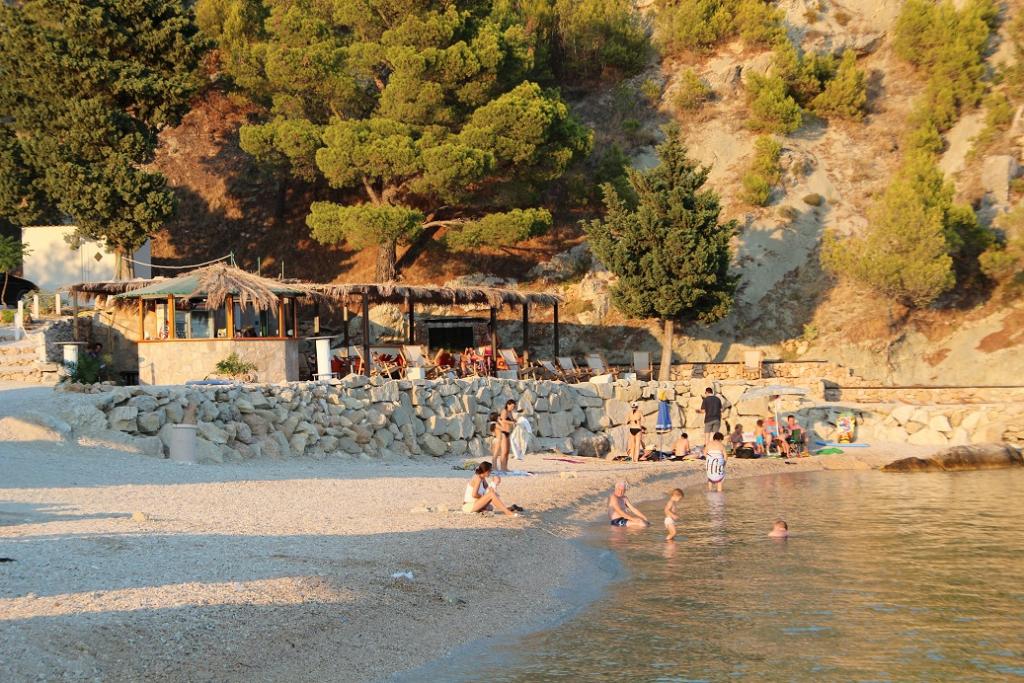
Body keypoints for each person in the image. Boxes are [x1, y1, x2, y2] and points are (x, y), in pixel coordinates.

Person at [492, 399, 516, 471]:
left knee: (507, 452)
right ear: (508, 405)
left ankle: (505, 467)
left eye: (514, 407)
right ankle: (502, 468)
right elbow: (503, 420)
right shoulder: (504, 411)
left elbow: (512, 420)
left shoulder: (510, 412)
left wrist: (515, 421)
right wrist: (512, 423)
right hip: (503, 433)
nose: (512, 408)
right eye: (512, 406)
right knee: (504, 452)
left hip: (508, 433)